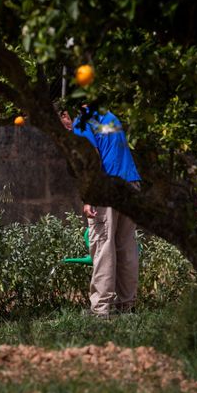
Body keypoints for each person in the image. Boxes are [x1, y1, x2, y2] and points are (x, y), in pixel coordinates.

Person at [61, 105, 142, 319]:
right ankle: (127, 306)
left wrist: (89, 197)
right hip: (131, 183)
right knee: (126, 245)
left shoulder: (82, 122)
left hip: (107, 188)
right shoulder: (109, 116)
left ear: (65, 115)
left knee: (102, 245)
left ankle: (101, 310)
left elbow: (92, 159)